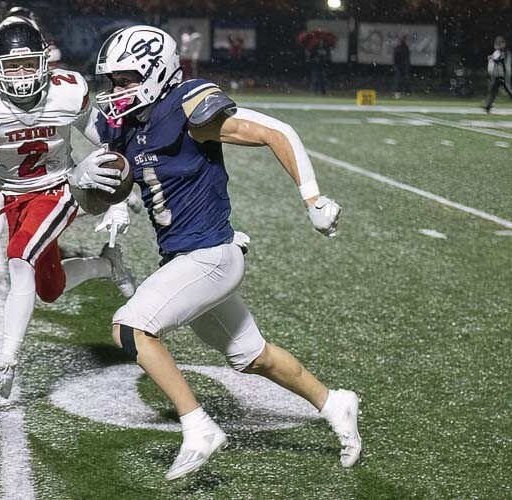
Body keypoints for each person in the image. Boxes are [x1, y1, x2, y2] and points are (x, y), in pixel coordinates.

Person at [76, 25, 361, 480]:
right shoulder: (129, 129)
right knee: (253, 357)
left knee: (131, 328)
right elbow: (98, 202)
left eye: (126, 79)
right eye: (112, 81)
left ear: (156, 72)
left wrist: (313, 198)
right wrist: (82, 181)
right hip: (185, 261)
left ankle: (198, 426)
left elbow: (276, 130)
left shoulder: (188, 108)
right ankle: (335, 404)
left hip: (211, 257)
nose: (117, 91)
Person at [0, 19, 136, 399]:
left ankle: (6, 364)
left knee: (18, 260)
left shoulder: (67, 94)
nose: (20, 74)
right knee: (49, 288)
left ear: (44, 62)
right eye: (12, 65)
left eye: (28, 64)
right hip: (15, 199)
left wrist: (118, 199)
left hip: (61, 188)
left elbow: (110, 144)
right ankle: (108, 265)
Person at [0, 9, 66, 282]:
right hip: (13, 144)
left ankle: (5, 256)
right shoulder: (0, 69)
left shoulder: (60, 81)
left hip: (49, 155)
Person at [484, 35, 512, 113]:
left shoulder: (505, 51)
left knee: (509, 91)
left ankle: (488, 106)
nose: (498, 44)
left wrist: (493, 59)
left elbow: (501, 60)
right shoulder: (497, 52)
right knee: (492, 91)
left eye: (500, 43)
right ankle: (488, 107)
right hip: (497, 75)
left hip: (504, 75)